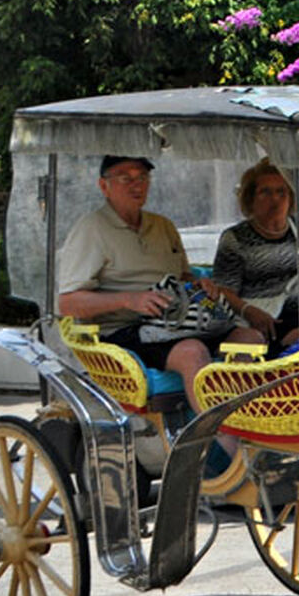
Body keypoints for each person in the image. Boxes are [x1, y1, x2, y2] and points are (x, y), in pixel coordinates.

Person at [55, 155, 239, 413]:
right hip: (124, 331)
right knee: (192, 352)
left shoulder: (162, 226)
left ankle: (252, 433)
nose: (137, 185)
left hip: (176, 322)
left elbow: (183, 276)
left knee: (249, 337)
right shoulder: (91, 229)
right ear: (103, 186)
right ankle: (220, 444)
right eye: (125, 178)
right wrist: (130, 300)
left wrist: (200, 285)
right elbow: (68, 303)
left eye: (142, 177)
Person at [211, 160, 299, 348]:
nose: (274, 199)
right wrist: (249, 311)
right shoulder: (235, 238)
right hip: (269, 325)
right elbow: (224, 290)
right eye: (265, 192)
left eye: (281, 192)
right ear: (250, 199)